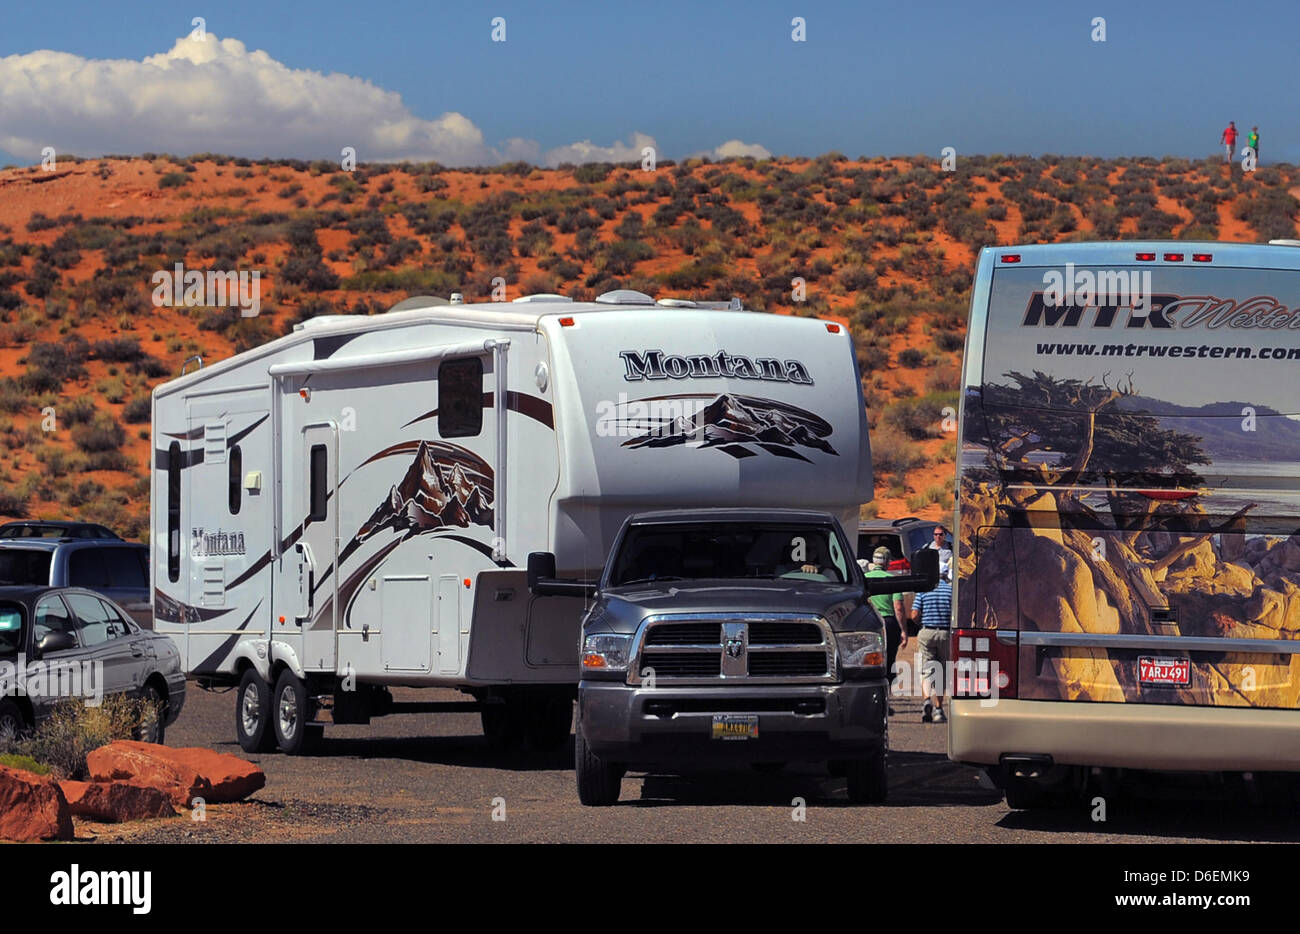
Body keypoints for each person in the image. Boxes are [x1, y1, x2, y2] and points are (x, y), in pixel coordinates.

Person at [863, 546, 907, 711]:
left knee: (868, 662)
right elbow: (898, 607)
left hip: (869, 623)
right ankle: (885, 703)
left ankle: (868, 702)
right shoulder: (892, 579)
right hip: (888, 624)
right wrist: (904, 630)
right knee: (888, 663)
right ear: (888, 562)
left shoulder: (864, 579)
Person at [910, 567, 953, 724]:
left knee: (927, 670)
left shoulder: (924, 590)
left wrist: (920, 623)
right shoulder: (950, 591)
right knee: (941, 672)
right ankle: (939, 710)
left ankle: (927, 700)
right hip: (945, 634)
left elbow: (914, 614)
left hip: (927, 631)